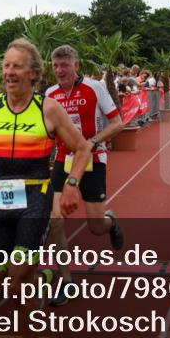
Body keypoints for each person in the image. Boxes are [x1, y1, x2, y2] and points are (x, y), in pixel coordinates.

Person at [0, 39, 93, 338]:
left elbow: (83, 149)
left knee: (17, 280)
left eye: (17, 66)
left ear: (34, 74)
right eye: (6, 65)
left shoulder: (48, 109)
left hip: (35, 200)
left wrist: (70, 186)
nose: (9, 72)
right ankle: (47, 276)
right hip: (2, 204)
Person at [45, 45, 125, 304]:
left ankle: (110, 221)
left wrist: (93, 141)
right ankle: (67, 280)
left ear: (76, 65)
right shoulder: (50, 94)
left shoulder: (94, 88)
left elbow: (118, 123)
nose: (59, 71)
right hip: (63, 160)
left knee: (95, 227)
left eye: (64, 65)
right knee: (55, 220)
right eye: (55, 66)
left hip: (93, 158)